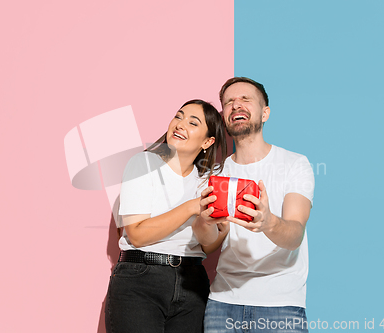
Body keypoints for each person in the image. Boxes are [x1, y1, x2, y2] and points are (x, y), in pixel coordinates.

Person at [193, 77, 315, 333]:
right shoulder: (215, 172)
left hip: (281, 305)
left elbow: (295, 234)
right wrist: (203, 221)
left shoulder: (294, 164)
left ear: (265, 113)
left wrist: (268, 222)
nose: (236, 105)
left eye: (246, 99)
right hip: (223, 305)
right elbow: (210, 244)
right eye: (228, 102)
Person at [105, 99, 227, 333]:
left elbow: (208, 246)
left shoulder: (206, 182)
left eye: (193, 122)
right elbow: (138, 235)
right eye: (178, 116)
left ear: (207, 141)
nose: (180, 124)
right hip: (141, 278)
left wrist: (217, 227)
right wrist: (191, 208)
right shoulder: (143, 163)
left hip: (192, 282)